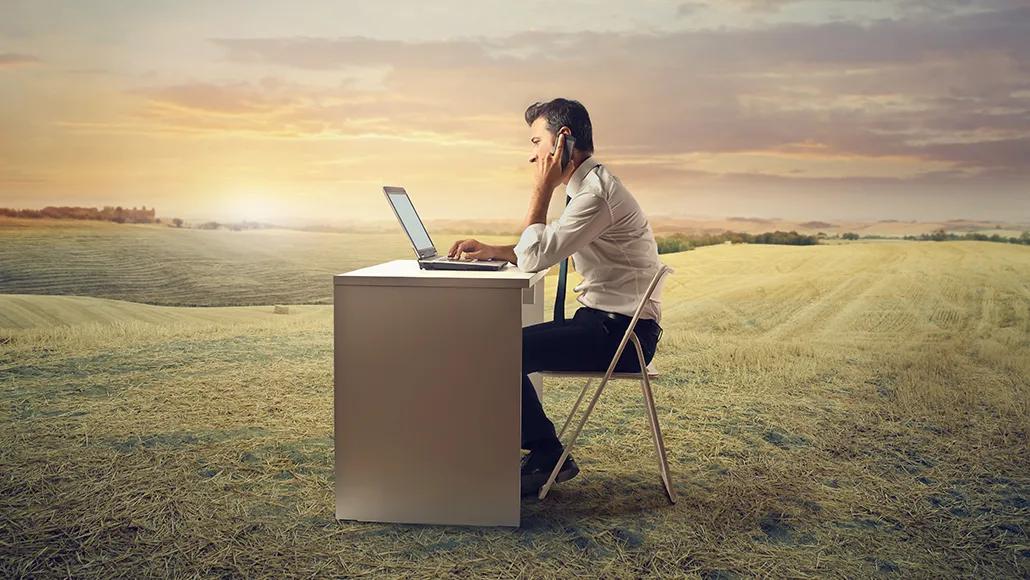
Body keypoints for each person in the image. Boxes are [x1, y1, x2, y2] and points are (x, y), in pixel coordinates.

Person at [448, 98, 664, 497]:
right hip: (604, 324)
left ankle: (547, 454)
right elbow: (547, 247)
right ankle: (544, 451)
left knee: (496, 352)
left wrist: (542, 188)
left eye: (536, 141)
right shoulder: (590, 188)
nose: (533, 156)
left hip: (621, 338)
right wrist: (497, 250)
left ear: (562, 140)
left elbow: (535, 258)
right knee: (499, 348)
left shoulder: (595, 194)